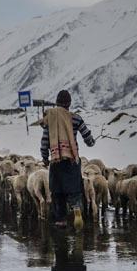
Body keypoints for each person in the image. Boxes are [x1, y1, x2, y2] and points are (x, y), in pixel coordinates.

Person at [40, 90, 95, 229]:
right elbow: (87, 137)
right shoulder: (76, 118)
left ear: (57, 102)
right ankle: (76, 210)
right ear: (69, 103)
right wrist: (91, 142)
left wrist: (45, 157)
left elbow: (45, 140)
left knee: (57, 192)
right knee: (74, 190)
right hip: (72, 161)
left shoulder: (50, 119)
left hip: (56, 161)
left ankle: (61, 221)